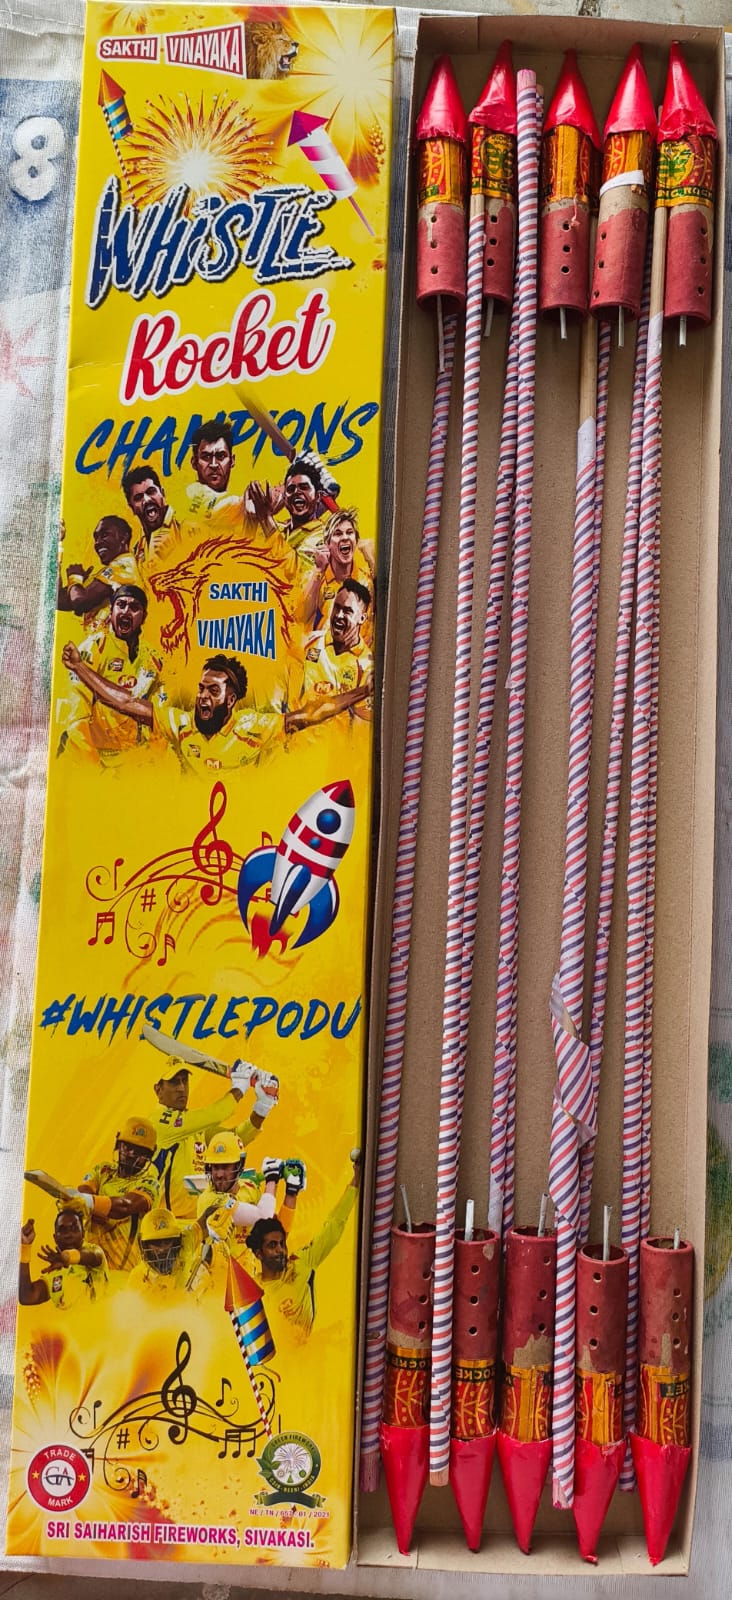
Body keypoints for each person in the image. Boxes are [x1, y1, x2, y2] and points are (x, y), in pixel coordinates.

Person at [59, 650, 372, 775]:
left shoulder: (254, 727)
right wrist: (79, 667)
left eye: (212, 691)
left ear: (231, 699)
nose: (202, 697)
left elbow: (309, 716)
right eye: (201, 689)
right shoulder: (180, 723)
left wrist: (363, 691)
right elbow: (125, 702)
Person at [243, 1150, 360, 1341]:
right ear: (258, 1253)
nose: (280, 1250)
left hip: (309, 1354)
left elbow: (334, 1224)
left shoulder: (301, 1263)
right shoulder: (253, 1290)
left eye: (282, 1244)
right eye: (272, 1245)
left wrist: (357, 1179)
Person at [151, 1055, 279, 1218]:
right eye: (174, 1082)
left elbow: (234, 1140)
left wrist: (263, 1106)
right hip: (166, 1224)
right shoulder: (159, 1121)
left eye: (185, 1081)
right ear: (158, 1090)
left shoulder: (192, 1125)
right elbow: (216, 1113)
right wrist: (239, 1087)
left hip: (198, 1223)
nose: (182, 1088)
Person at [58, 584, 161, 764]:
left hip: (134, 759)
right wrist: (93, 765)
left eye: (134, 607)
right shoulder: (92, 649)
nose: (126, 611)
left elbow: (158, 718)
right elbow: (77, 719)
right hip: (97, 757)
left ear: (144, 617)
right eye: (121, 605)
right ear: (111, 610)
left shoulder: (153, 658)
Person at [195, 1139, 304, 1261]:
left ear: (239, 1166)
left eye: (225, 1167)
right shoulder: (209, 1200)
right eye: (215, 1167)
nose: (219, 1174)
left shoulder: (249, 1189)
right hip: (217, 1269)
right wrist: (272, 1179)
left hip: (248, 1269)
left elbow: (277, 1233)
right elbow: (263, 1216)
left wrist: (291, 1192)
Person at [75, 1117, 159, 1272]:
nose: (131, 1154)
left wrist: (89, 1205)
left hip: (122, 1272)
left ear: (150, 1155)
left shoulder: (150, 1183)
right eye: (127, 1146)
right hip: (89, 1267)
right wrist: (93, 1206)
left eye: (140, 1151)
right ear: (118, 1144)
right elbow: (83, 1191)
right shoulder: (103, 1169)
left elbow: (125, 1206)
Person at [299, 581, 374, 723]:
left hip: (334, 737)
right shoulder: (310, 642)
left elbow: (361, 724)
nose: (339, 615)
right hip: (299, 735)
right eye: (337, 607)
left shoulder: (367, 667)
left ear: (362, 618)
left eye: (347, 611)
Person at [245, 452, 340, 563]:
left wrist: (265, 518)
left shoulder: (324, 536)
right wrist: (251, 519)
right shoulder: (277, 528)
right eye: (291, 489)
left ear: (318, 496)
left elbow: (291, 568)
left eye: (304, 487)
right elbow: (248, 555)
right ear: (285, 498)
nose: (297, 492)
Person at [57, 516, 144, 623]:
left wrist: (75, 577)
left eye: (105, 535)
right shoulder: (112, 570)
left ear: (124, 538)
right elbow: (58, 600)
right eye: (96, 538)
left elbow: (81, 602)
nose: (97, 542)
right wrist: (57, 545)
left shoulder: (123, 567)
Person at [19, 1206, 108, 1308]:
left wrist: (66, 1258)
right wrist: (24, 1247)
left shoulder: (95, 1252)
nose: (69, 1235)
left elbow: (89, 1256)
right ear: (55, 1238)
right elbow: (27, 1297)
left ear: (83, 1233)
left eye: (74, 1229)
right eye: (63, 1230)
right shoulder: (55, 1273)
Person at [304, 509, 375, 637]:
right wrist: (318, 570)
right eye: (338, 533)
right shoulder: (316, 577)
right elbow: (301, 618)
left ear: (356, 540)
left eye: (349, 532)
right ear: (327, 544)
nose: (345, 537)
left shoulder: (366, 579)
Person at [127, 1208, 214, 1301]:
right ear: (143, 1244)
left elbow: (205, 1222)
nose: (162, 1249)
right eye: (156, 1243)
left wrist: (221, 1212)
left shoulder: (184, 1243)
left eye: (167, 1242)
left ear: (176, 1241)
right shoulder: (138, 1280)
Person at [121, 465, 182, 569]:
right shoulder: (137, 551)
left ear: (162, 493)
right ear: (132, 508)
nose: (147, 500)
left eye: (151, 492)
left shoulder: (188, 530)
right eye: (138, 498)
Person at [187, 420, 236, 512]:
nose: (214, 464)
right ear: (194, 462)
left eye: (221, 456)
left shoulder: (239, 506)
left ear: (232, 461)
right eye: (206, 457)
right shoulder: (184, 500)